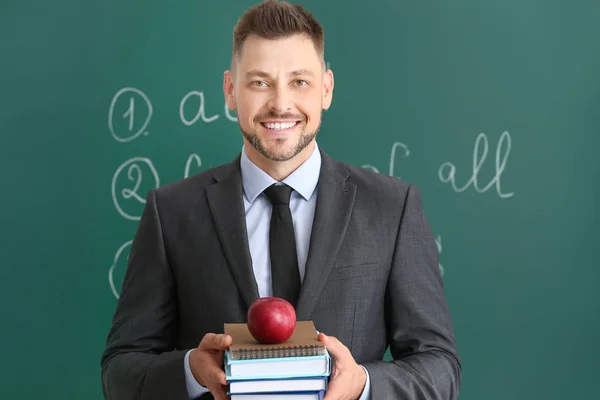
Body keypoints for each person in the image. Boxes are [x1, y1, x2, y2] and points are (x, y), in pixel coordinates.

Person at [100, 1, 461, 399]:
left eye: (299, 82)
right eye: (259, 82)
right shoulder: (170, 213)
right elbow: (121, 370)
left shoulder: (392, 208)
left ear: (326, 89)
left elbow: (439, 367)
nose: (280, 103)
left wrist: (364, 384)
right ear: (230, 91)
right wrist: (190, 370)